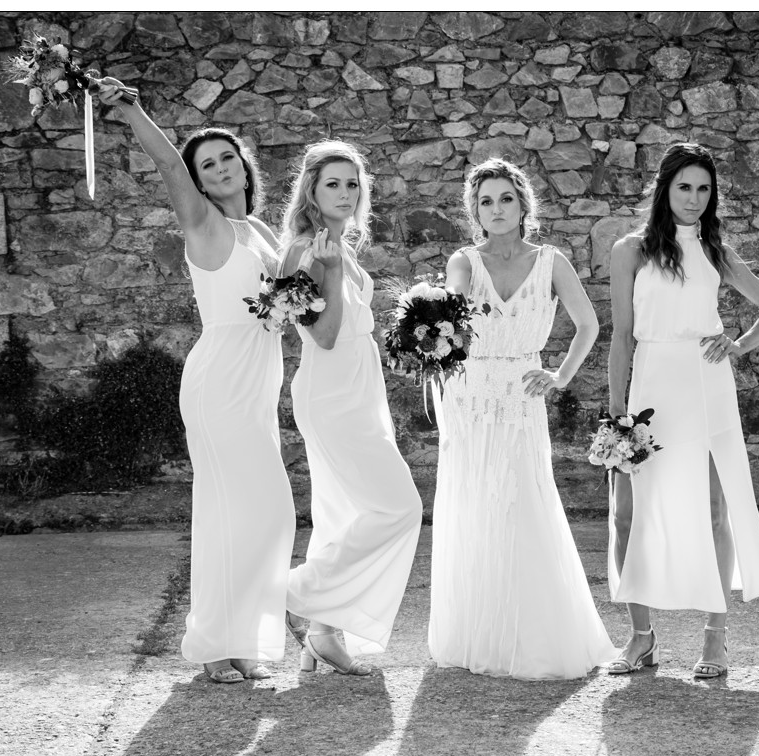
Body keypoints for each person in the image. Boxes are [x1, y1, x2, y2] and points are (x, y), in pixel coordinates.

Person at [96, 78, 295, 684]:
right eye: (207, 165)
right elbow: (163, 159)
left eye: (227, 158)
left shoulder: (262, 232)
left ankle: (237, 641)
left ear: (243, 165)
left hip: (258, 382)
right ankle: (211, 644)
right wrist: (133, 111)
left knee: (259, 516)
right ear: (200, 181)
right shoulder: (203, 222)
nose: (220, 168)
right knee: (237, 512)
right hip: (220, 380)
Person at [429, 158, 616, 680]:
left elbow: (588, 324)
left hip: (524, 394)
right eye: (485, 201)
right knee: (476, 503)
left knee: (523, 503)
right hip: (470, 396)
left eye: (505, 199)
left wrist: (558, 377)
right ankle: (479, 632)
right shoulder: (464, 261)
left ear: (522, 204)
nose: (496, 209)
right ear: (475, 210)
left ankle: (533, 634)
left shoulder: (551, 261)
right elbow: (451, 317)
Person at [607, 142, 759, 679]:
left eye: (704, 189)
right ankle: (641, 636)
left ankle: (716, 637)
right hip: (650, 388)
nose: (694, 198)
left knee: (712, 511)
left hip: (705, 383)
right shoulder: (630, 250)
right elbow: (621, 336)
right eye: (685, 187)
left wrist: (740, 344)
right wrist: (617, 411)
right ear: (665, 188)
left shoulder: (716, 252)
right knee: (627, 514)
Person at [279, 141, 422, 676]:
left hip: (361, 392)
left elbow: (357, 332)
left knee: (343, 516)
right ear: (311, 191)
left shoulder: (344, 248)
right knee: (398, 508)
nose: (345, 193)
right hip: (331, 394)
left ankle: (325, 634)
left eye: (353, 183)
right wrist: (332, 272)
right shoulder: (304, 251)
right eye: (333, 183)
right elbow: (326, 334)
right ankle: (294, 592)